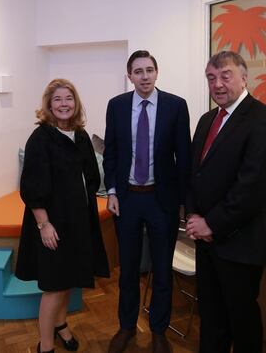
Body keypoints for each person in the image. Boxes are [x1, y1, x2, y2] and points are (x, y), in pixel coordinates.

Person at [185, 51, 266, 353]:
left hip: (239, 244)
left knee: (242, 322)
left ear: (244, 77)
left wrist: (211, 223)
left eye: (225, 75)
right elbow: (194, 173)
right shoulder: (206, 120)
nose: (217, 84)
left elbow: (253, 188)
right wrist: (193, 216)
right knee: (212, 317)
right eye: (211, 77)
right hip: (206, 242)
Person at [103, 50, 191, 353]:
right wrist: (112, 191)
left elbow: (184, 158)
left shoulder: (176, 106)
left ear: (157, 72)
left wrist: (183, 202)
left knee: (162, 270)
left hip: (161, 201)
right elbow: (111, 153)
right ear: (130, 76)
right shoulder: (116, 106)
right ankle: (126, 327)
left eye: (149, 70)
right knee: (127, 270)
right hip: (126, 200)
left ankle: (158, 330)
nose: (144, 76)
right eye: (138, 71)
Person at [16, 78, 110, 353]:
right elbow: (32, 188)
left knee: (68, 279)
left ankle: (61, 325)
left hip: (78, 221)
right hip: (52, 223)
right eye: (57, 99)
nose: (63, 104)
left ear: (75, 103)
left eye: (68, 98)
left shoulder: (80, 134)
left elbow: (91, 177)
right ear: (48, 105)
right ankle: (45, 346)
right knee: (55, 286)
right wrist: (44, 225)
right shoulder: (40, 138)